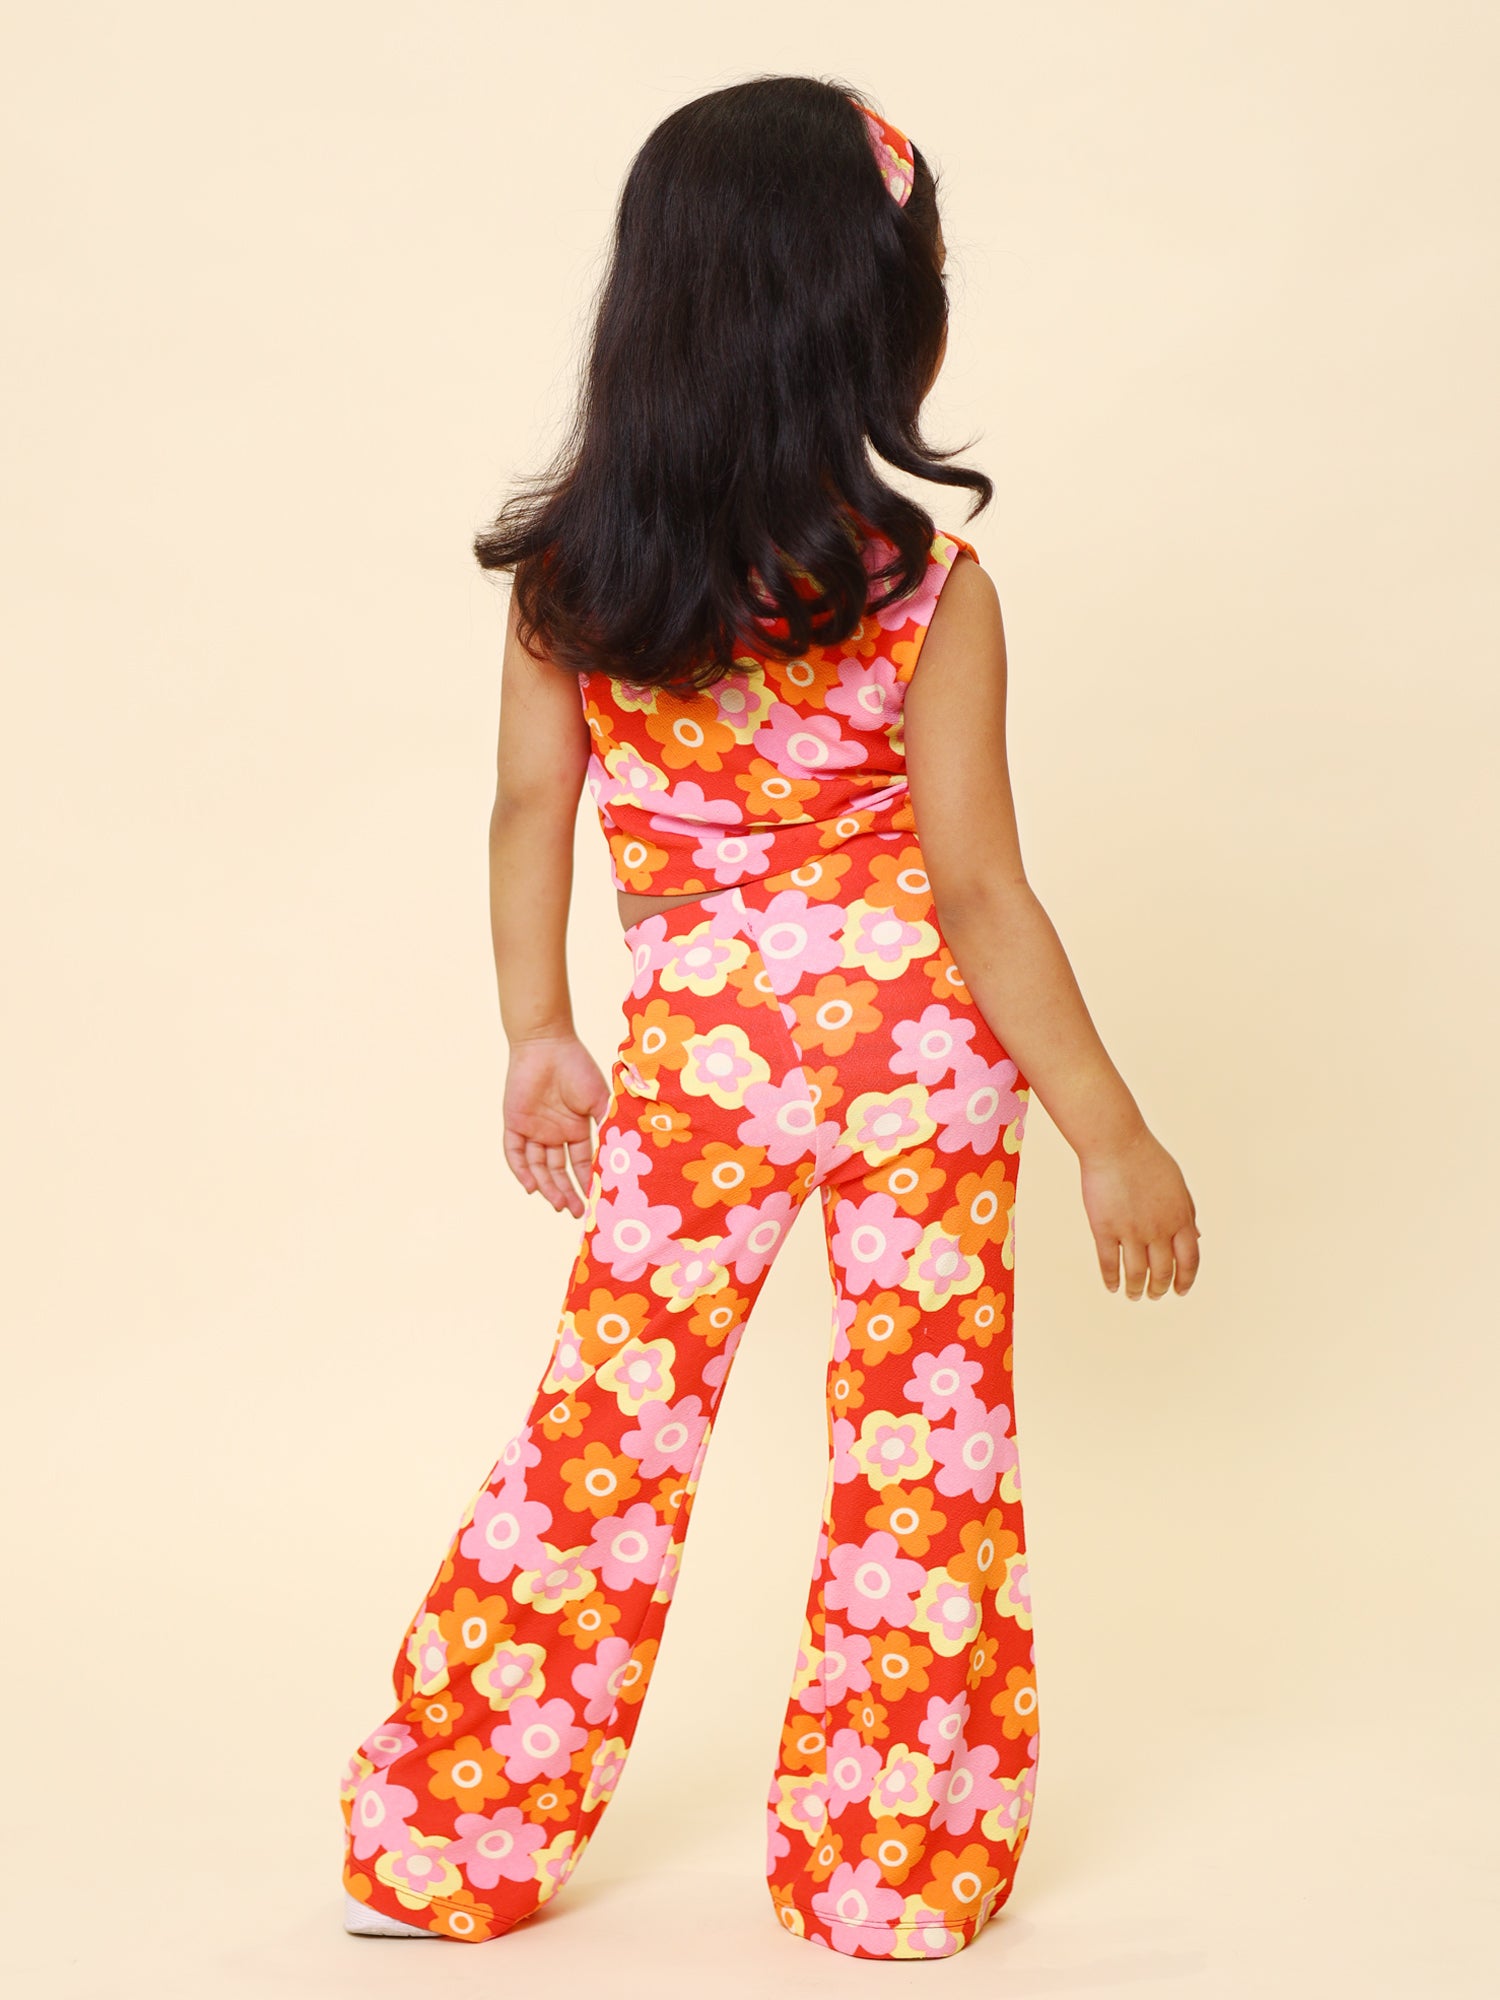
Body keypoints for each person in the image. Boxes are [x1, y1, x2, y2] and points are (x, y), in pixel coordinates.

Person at [338, 73, 1200, 1962]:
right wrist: (1108, 1127)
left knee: (606, 1439)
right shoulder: (930, 592)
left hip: (699, 1067)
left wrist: (537, 1027)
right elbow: (978, 889)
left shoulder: (577, 579)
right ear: (869, 325)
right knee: (926, 1442)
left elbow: (523, 812)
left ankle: (445, 1848)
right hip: (922, 1064)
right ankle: (892, 1876)